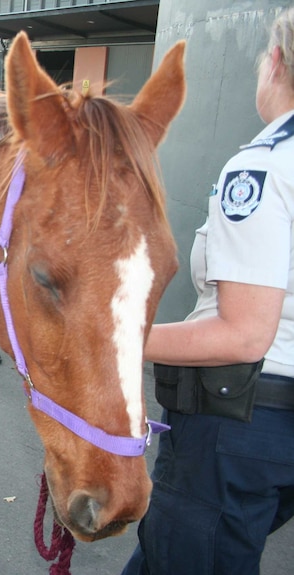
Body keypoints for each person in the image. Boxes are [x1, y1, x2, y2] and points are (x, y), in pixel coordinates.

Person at [122, 7, 294, 575]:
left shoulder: (265, 169)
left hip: (237, 425)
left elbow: (243, 334)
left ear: (274, 63)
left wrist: (116, 337)